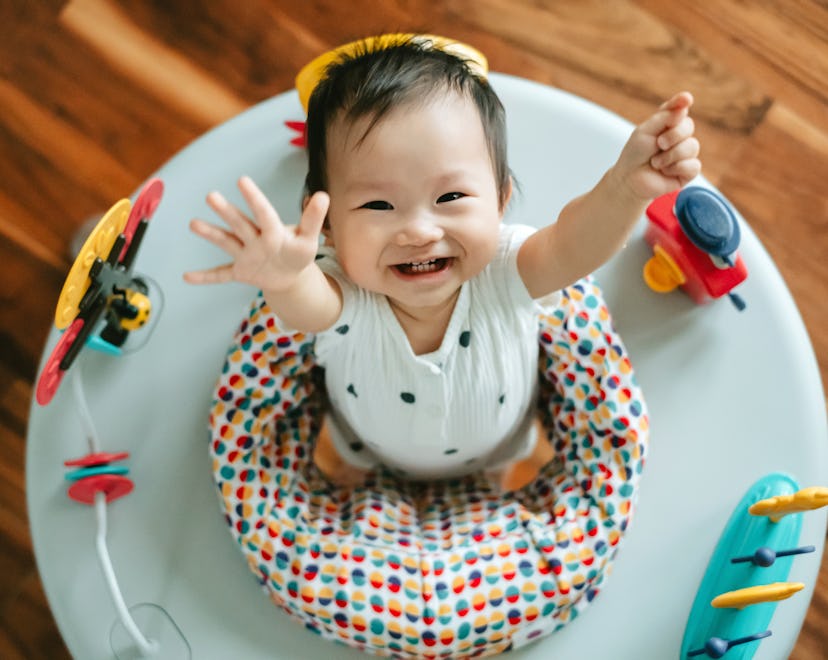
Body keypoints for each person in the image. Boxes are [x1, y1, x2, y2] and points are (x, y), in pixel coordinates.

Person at [184, 35, 700, 488]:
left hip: (501, 441)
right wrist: (285, 278)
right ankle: (360, 479)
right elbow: (308, 305)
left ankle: (492, 480)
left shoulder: (507, 271)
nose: (418, 231)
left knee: (502, 471)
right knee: (350, 465)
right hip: (365, 444)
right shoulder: (347, 292)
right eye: (378, 205)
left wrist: (625, 188)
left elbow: (573, 245)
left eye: (450, 197)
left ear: (500, 200)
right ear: (330, 227)